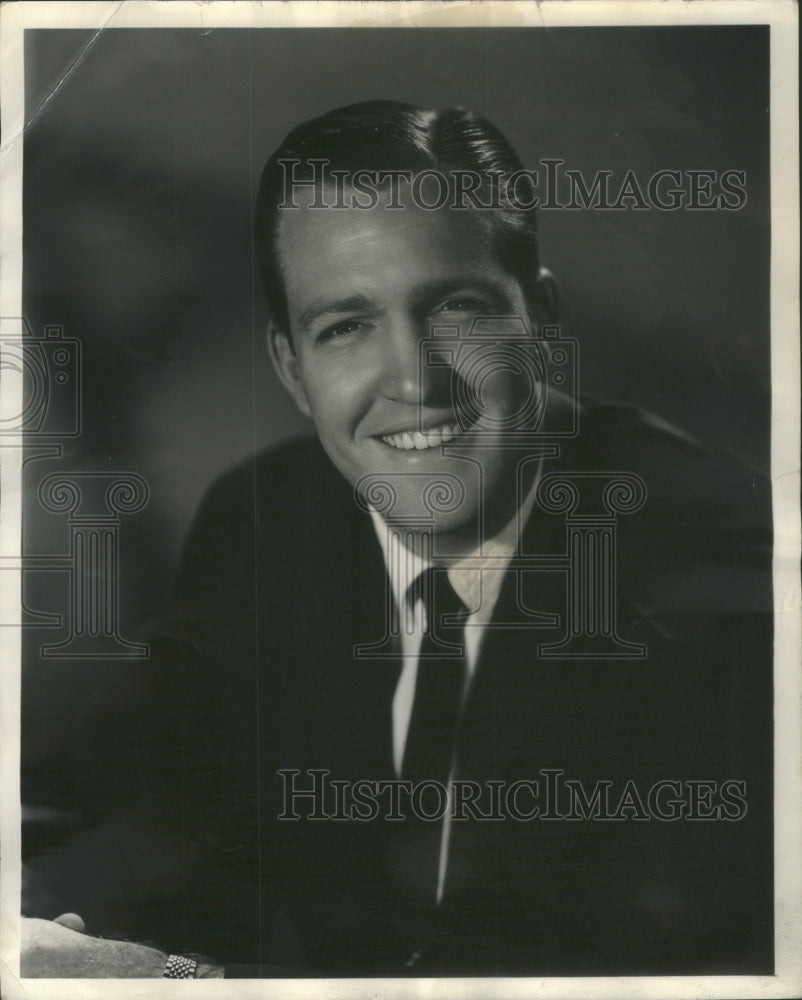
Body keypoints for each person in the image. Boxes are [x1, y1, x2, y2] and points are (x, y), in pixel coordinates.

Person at [21, 101, 773, 978]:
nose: (416, 376)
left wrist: (168, 980)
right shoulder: (268, 514)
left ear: (543, 319)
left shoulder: (719, 567)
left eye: (456, 308)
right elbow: (124, 780)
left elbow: (652, 962)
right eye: (346, 326)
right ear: (292, 371)